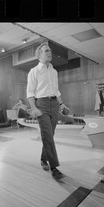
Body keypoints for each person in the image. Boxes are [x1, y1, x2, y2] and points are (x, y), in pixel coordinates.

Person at [26, 43, 69, 180]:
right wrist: (34, 108)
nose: (50, 52)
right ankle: (54, 167)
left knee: (50, 134)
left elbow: (56, 91)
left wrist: (62, 104)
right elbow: (30, 93)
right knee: (47, 134)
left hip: (54, 104)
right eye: (46, 51)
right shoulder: (34, 71)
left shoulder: (54, 71)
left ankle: (43, 158)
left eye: (50, 50)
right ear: (39, 55)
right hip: (41, 104)